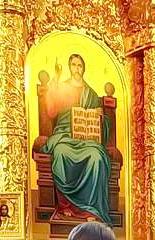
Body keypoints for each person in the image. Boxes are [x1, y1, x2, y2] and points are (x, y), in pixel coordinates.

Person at [42, 54, 112, 223]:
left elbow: (104, 123)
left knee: (97, 157)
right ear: (69, 67)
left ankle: (91, 209)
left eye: (79, 65)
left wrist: (100, 116)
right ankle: (65, 205)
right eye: (73, 65)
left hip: (87, 139)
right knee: (60, 153)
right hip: (65, 134)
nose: (77, 69)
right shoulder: (61, 88)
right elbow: (51, 111)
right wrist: (55, 79)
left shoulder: (91, 93)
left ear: (83, 68)